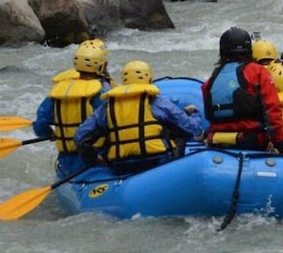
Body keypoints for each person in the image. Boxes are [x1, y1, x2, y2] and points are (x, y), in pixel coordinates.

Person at [75, 61, 205, 174]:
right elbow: (193, 129)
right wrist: (194, 114)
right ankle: (178, 172)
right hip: (159, 164)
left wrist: (94, 160)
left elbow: (81, 138)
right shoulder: (159, 103)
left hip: (121, 166)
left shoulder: (107, 107)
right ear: (149, 79)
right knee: (178, 133)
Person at [34, 39, 114, 178]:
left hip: (66, 160)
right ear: (101, 66)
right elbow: (113, 121)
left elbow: (41, 122)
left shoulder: (59, 91)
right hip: (95, 157)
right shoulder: (101, 91)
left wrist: (49, 134)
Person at [202, 27, 283, 153]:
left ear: (222, 51)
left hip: (217, 143)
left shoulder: (212, 80)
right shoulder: (259, 72)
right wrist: (281, 147)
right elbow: (272, 110)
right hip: (251, 142)